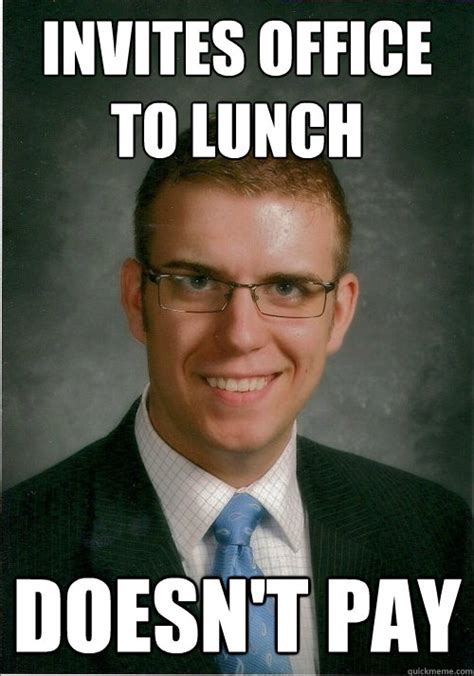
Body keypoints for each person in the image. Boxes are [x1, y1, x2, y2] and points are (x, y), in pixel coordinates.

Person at [3, 121, 471, 675]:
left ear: (339, 313)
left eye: (287, 287)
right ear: (136, 301)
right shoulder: (15, 555)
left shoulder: (436, 535)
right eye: (197, 282)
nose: (241, 335)